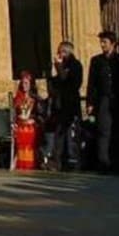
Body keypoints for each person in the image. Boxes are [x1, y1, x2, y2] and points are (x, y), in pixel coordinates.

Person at [86, 30, 119, 172]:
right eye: (101, 42)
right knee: (103, 130)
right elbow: (91, 83)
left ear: (113, 44)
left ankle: (117, 162)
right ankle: (103, 162)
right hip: (103, 99)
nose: (102, 45)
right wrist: (90, 102)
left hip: (118, 99)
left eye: (105, 42)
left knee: (117, 130)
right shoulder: (96, 61)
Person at [49, 41, 83, 170]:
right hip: (61, 103)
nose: (58, 54)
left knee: (72, 133)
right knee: (60, 133)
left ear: (66, 52)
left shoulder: (74, 65)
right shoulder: (63, 65)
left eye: (60, 52)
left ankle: (73, 159)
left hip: (70, 103)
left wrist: (58, 65)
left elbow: (65, 79)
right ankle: (58, 161)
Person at [12, 70, 41, 170]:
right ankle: (19, 162)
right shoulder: (17, 99)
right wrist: (14, 123)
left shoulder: (36, 99)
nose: (24, 85)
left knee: (30, 131)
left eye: (26, 83)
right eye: (22, 83)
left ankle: (31, 164)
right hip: (19, 125)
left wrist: (34, 120)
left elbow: (40, 115)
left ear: (30, 84)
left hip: (31, 125)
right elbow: (13, 115)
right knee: (20, 131)